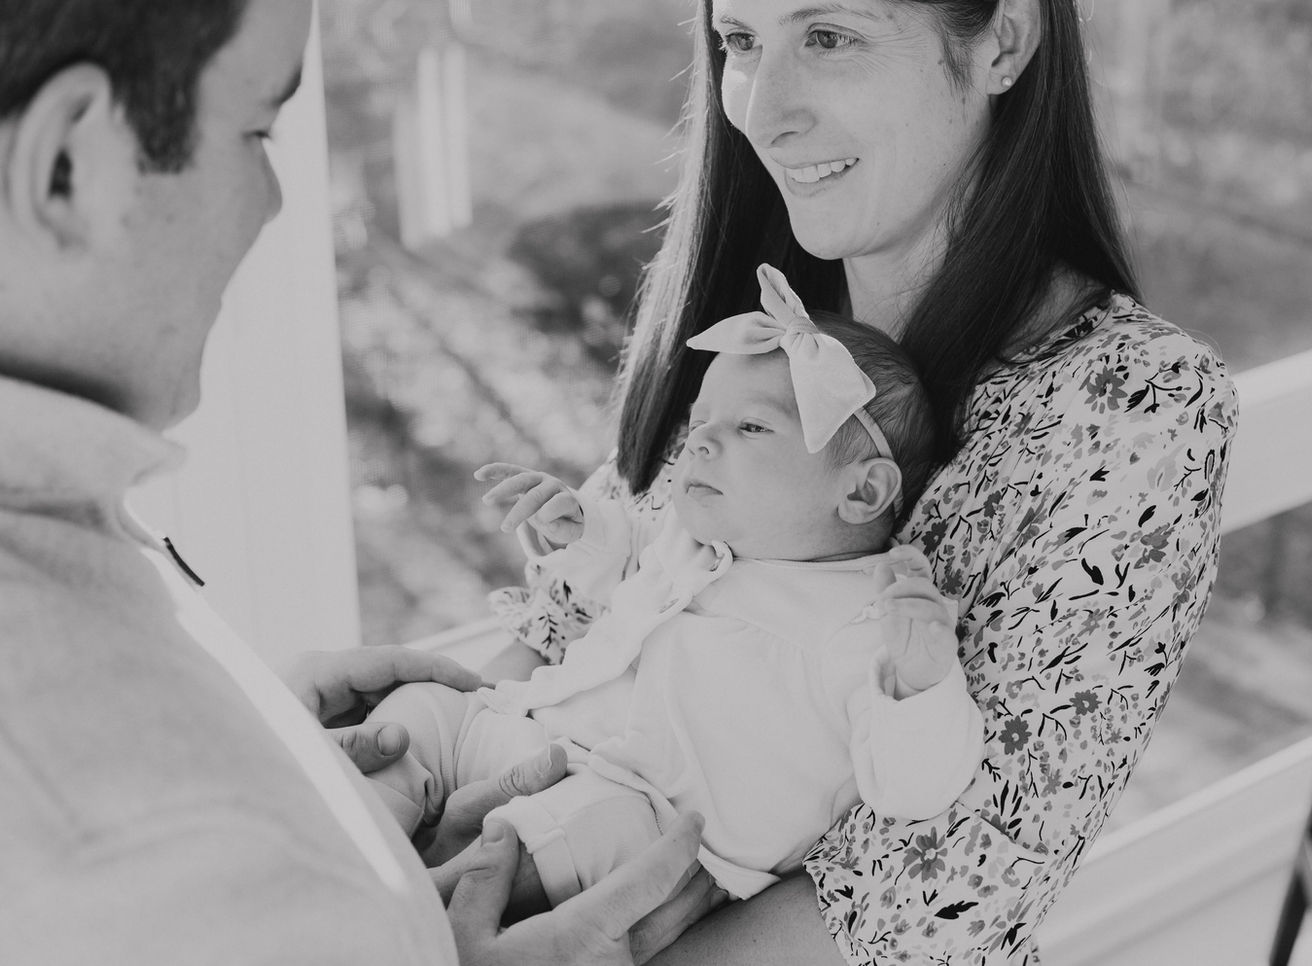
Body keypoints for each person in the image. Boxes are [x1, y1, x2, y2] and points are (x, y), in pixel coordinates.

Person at [481, 0, 1241, 963]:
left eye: (830, 37)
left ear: (1001, 40)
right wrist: (410, 763)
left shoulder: (1134, 402)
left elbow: (944, 890)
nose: (763, 110)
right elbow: (567, 638)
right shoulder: (764, 331)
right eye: (742, 42)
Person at [0, 1, 714, 964]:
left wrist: (263, 747)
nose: (275, 202)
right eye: (255, 127)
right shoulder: (153, 848)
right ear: (65, 168)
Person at [369, 265, 982, 915]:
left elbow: (917, 790)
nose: (702, 443)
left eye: (751, 428)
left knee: (576, 831)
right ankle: (361, 834)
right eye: (700, 424)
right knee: (424, 710)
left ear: (860, 491)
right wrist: (579, 529)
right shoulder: (694, 538)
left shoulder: (864, 621)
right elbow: (628, 558)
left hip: (650, 829)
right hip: (536, 731)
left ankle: (408, 915)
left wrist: (920, 684)